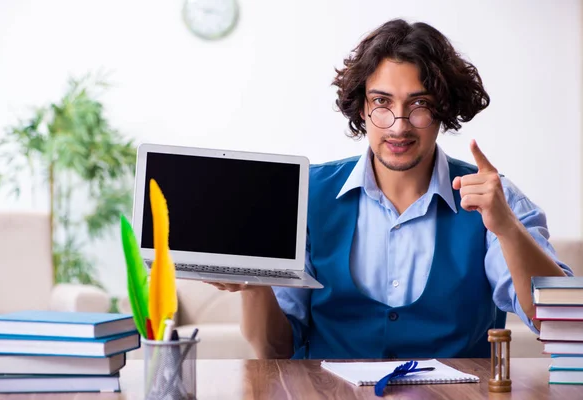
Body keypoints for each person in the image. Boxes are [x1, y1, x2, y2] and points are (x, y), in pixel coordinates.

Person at [207, 19, 572, 359]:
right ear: (362, 108)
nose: (399, 126)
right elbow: (276, 351)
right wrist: (255, 283)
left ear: (443, 111)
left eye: (420, 105)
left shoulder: (497, 201)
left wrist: (507, 229)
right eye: (382, 102)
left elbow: (562, 325)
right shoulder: (305, 196)